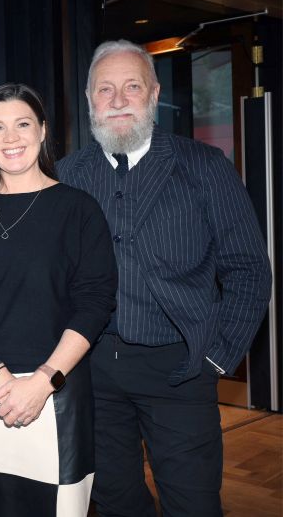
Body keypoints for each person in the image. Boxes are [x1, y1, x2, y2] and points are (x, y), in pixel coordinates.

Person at [56, 39, 272, 517]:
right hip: (93, 372)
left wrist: (216, 358)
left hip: (181, 369)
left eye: (131, 87)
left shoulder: (204, 167)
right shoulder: (66, 177)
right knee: (114, 500)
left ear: (154, 94)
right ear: (90, 99)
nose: (117, 100)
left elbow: (250, 269)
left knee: (193, 503)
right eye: (104, 89)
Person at [0, 83, 117, 516]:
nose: (10, 138)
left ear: (43, 130)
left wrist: (43, 381)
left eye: (22, 124)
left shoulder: (78, 209)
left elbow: (95, 301)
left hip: (57, 395)